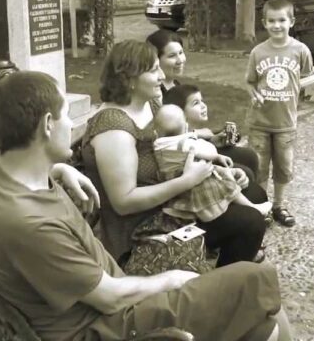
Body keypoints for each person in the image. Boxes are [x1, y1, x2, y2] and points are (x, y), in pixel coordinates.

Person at [0, 70, 293, 341]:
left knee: (264, 323)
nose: (71, 124)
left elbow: (10, 153)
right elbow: (110, 297)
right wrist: (171, 279)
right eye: (66, 115)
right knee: (256, 280)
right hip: (108, 325)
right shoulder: (32, 225)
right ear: (47, 125)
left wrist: (58, 169)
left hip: (104, 302)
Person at [80, 40, 267, 268]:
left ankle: (216, 265)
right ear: (128, 79)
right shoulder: (113, 129)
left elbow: (174, 145)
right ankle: (218, 282)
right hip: (143, 228)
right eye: (153, 70)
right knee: (250, 221)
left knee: (254, 193)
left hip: (171, 204)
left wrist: (217, 171)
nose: (161, 75)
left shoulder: (150, 104)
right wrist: (187, 181)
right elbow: (124, 202)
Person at [147, 28, 262, 181]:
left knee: (249, 156)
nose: (180, 60)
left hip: (192, 145)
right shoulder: (156, 95)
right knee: (245, 170)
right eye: (172, 56)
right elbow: (166, 140)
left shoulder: (176, 85)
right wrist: (199, 134)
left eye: (181, 53)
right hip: (180, 158)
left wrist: (212, 139)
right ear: (156, 60)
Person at [245, 0, 313, 228]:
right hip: (259, 122)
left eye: (282, 20)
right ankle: (261, 207)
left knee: (284, 167)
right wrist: (253, 93)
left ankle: (279, 206)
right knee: (259, 168)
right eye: (271, 21)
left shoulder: (301, 50)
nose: (277, 25)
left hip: (285, 123)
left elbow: (307, 78)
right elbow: (250, 82)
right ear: (264, 23)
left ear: (291, 22)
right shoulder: (258, 52)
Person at [153, 104, 272, 221]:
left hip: (172, 182)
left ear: (156, 132)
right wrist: (197, 140)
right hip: (196, 182)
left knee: (231, 173)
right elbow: (210, 152)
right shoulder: (185, 143)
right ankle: (253, 207)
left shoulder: (158, 145)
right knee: (228, 188)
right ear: (185, 126)